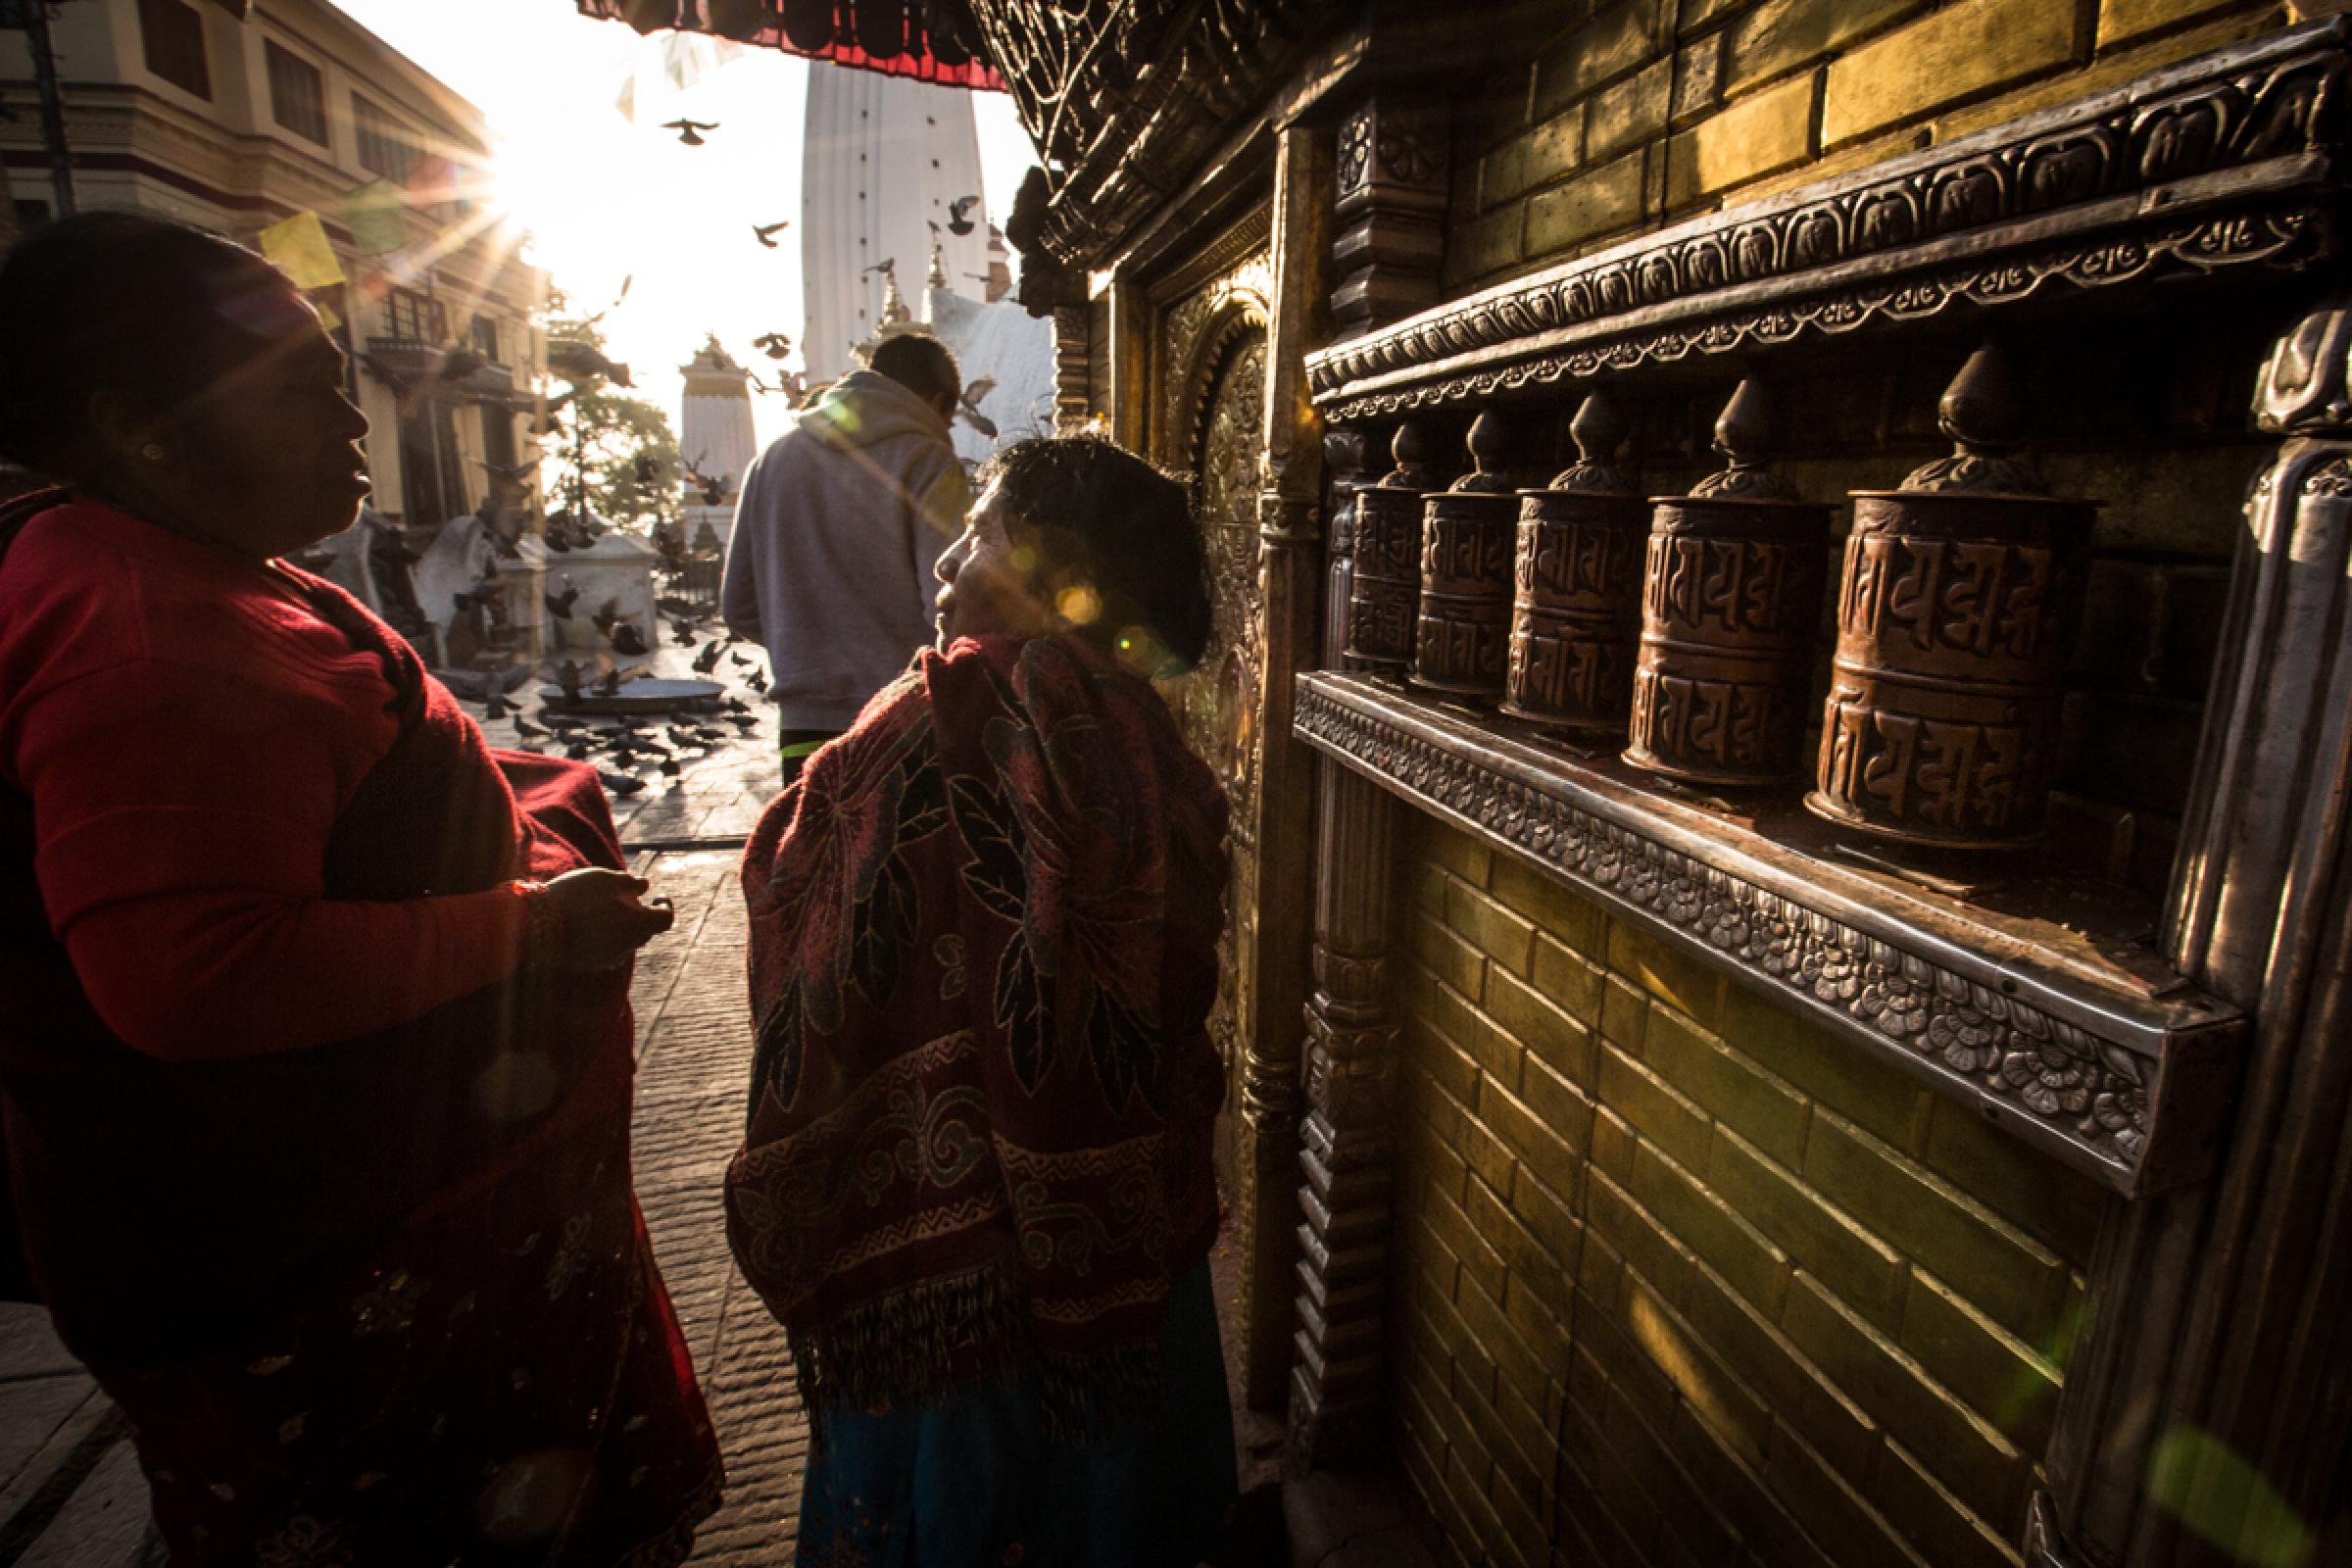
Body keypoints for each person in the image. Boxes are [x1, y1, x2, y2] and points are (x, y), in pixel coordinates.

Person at [0, 213, 721, 1564]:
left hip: (373, 1228)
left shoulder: (175, 572)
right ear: (137, 425)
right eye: (297, 387)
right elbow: (195, 975)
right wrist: (531, 924)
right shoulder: (150, 648)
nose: (352, 417)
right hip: (328, 1275)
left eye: (338, 376)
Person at [726, 435, 1236, 1566]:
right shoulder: (1145, 731)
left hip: (943, 1240)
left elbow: (803, 902)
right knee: (1114, 1486)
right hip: (1117, 1219)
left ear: (1054, 570)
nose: (951, 552)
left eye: (984, 528)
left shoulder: (935, 717)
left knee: (960, 1501)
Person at [719, 332, 971, 781]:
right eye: (950, 417)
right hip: (901, 715)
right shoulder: (928, 459)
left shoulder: (772, 460)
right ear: (937, 401)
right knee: (900, 850)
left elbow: (739, 608)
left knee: (816, 846)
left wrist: (805, 645)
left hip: (803, 718)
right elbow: (946, 601)